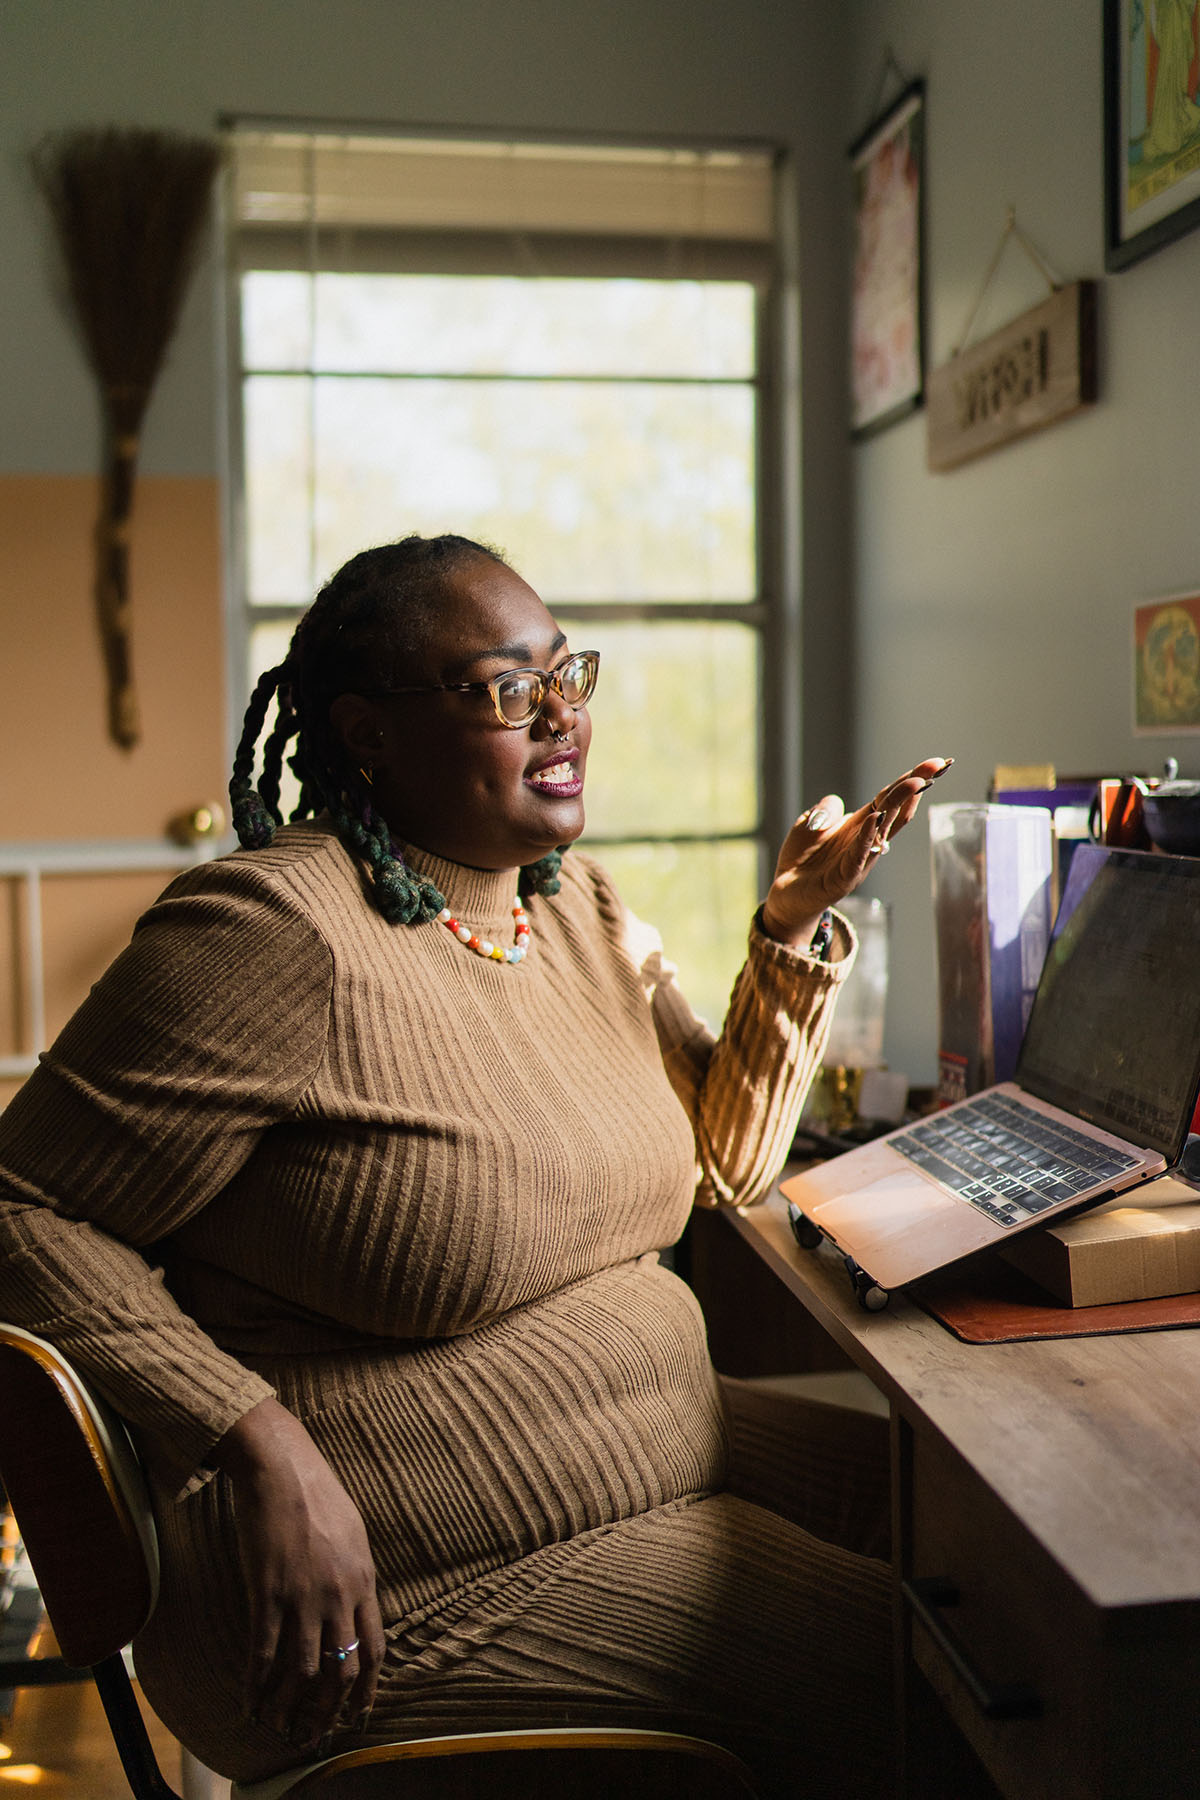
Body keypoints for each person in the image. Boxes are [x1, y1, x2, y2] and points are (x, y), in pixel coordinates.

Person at [0, 534, 948, 1797]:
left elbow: (721, 1164)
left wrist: (784, 931)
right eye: (509, 690)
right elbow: (23, 1204)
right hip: (392, 1589)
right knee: (940, 1684)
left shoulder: (570, 907)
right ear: (369, 734)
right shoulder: (275, 933)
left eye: (570, 676)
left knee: (990, 1570)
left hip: (662, 1458)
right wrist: (254, 1440)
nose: (563, 717)